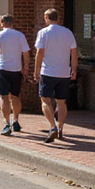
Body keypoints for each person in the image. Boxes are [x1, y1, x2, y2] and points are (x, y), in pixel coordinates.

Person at [33, 8, 78, 142]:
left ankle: (52, 126)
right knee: (61, 102)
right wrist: (74, 69)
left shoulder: (43, 33)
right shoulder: (68, 32)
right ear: (57, 18)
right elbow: (74, 53)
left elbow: (40, 53)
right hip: (64, 72)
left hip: (48, 72)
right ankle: (60, 127)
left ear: (47, 18)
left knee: (45, 100)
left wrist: (36, 70)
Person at [0, 14, 30, 135]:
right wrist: (25, 67)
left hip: (2, 69)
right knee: (16, 96)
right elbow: (26, 53)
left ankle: (7, 123)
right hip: (16, 69)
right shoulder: (20, 35)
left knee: (4, 96)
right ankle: (16, 119)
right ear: (12, 23)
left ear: (1, 23)